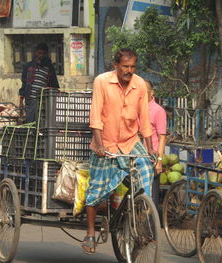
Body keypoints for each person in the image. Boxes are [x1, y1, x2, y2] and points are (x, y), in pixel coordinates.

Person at [82, 48, 155, 254]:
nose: (129, 70)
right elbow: (96, 116)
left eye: (132, 67)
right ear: (116, 66)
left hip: (131, 141)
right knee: (96, 190)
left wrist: (150, 149)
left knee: (147, 174)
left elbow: (145, 119)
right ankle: (89, 233)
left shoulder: (140, 84)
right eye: (125, 66)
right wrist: (100, 146)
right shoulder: (102, 82)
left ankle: (140, 224)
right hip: (105, 142)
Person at [19, 43, 59, 123]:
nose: (41, 55)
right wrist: (20, 102)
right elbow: (24, 84)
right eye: (39, 53)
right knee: (29, 122)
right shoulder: (29, 66)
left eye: (43, 54)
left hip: (43, 100)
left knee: (41, 122)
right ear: (36, 53)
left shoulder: (49, 68)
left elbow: (54, 85)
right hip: (30, 99)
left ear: (46, 54)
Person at [145, 80, 167, 208]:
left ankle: (152, 223)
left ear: (151, 92)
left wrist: (159, 160)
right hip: (137, 155)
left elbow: (162, 137)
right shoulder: (138, 108)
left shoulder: (158, 111)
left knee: (152, 196)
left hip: (151, 158)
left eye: (145, 89)